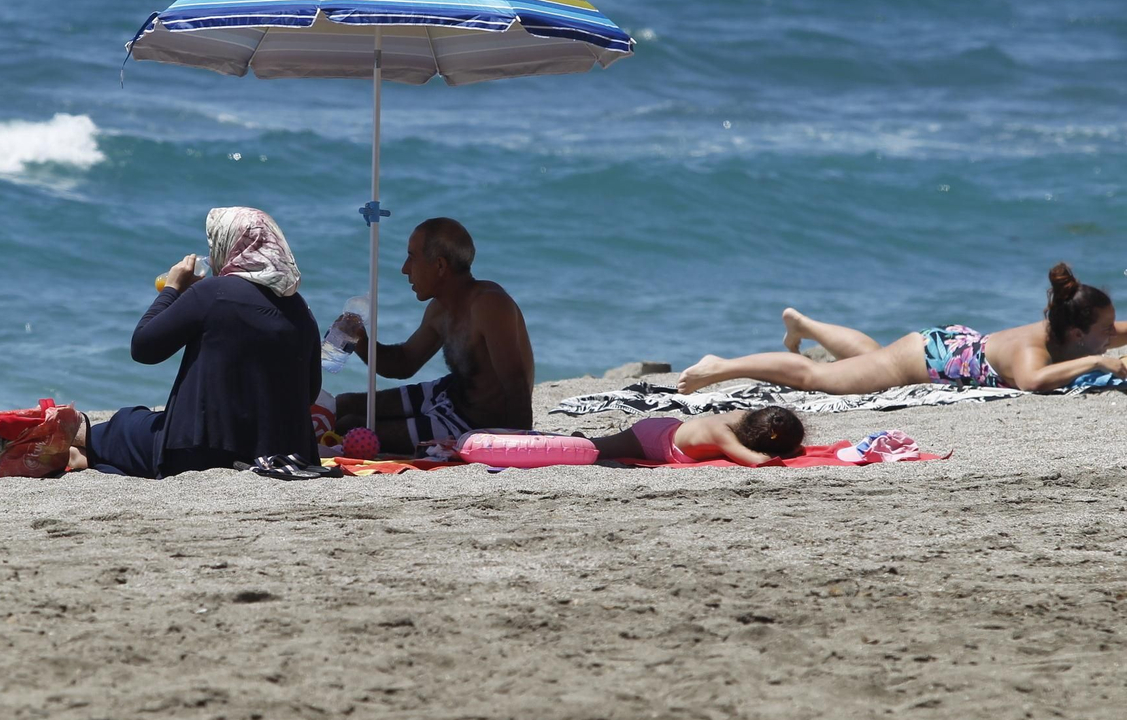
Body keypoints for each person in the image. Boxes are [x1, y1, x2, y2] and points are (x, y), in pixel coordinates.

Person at [69, 207, 321, 478]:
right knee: (137, 427)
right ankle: (82, 456)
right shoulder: (300, 308)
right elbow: (311, 391)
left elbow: (143, 347)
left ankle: (75, 448)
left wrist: (173, 289)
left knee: (126, 424)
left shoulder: (213, 293)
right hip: (285, 452)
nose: (212, 258)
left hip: (204, 451)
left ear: (229, 246)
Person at [677, 262, 1127, 396]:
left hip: (940, 345)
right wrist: (1098, 360)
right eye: (1106, 329)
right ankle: (722, 365)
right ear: (1077, 334)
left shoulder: (1067, 325)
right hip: (922, 359)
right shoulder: (1036, 355)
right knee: (821, 379)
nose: (1114, 334)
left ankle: (803, 324)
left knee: (868, 355)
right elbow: (1031, 382)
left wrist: (1106, 346)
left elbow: (1114, 333)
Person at [332, 217, 534, 454]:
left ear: (440, 266)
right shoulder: (440, 309)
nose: (405, 269)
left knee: (350, 427)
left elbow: (515, 385)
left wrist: (524, 447)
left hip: (473, 424)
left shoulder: (489, 305)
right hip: (448, 394)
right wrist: (361, 342)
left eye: (412, 257)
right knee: (342, 405)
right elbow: (404, 363)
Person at [582, 406, 805, 466]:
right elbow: (759, 461)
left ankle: (582, 438)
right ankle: (579, 439)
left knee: (602, 447)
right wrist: (792, 451)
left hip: (668, 429)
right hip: (653, 440)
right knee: (598, 451)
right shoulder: (722, 434)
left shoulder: (743, 416)